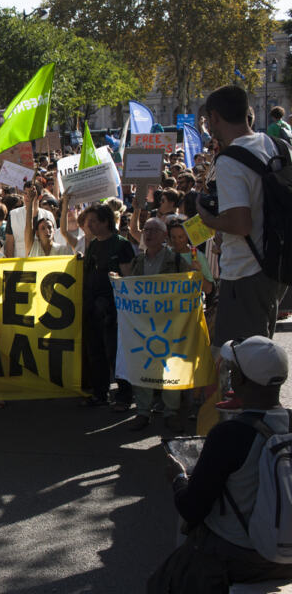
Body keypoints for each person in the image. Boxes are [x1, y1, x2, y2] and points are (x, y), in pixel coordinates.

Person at [148, 336, 292, 592]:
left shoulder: (229, 434)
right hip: (285, 558)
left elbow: (192, 508)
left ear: (239, 380)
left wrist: (179, 478)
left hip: (239, 556)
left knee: (162, 583)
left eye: (232, 371)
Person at [198, 86, 288, 410]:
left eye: (207, 121)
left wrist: (210, 219)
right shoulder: (275, 144)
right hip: (276, 265)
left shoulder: (231, 159)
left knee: (239, 353)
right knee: (259, 347)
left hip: (247, 270)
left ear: (215, 118)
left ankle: (251, 425)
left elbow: (240, 223)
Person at [125, 217, 192, 432]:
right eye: (146, 229)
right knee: (142, 365)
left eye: (154, 230)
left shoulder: (177, 261)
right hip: (143, 324)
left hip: (169, 325)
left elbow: (191, 285)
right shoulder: (137, 262)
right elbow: (130, 288)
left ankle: (171, 412)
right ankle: (143, 411)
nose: (148, 233)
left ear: (165, 236)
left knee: (170, 367)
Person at [83, 203, 135, 409]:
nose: (89, 225)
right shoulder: (94, 245)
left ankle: (124, 396)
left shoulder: (121, 245)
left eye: (94, 221)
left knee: (115, 353)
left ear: (106, 222)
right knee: (95, 351)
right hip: (92, 307)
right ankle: (100, 393)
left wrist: (118, 278)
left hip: (113, 309)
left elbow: (129, 278)